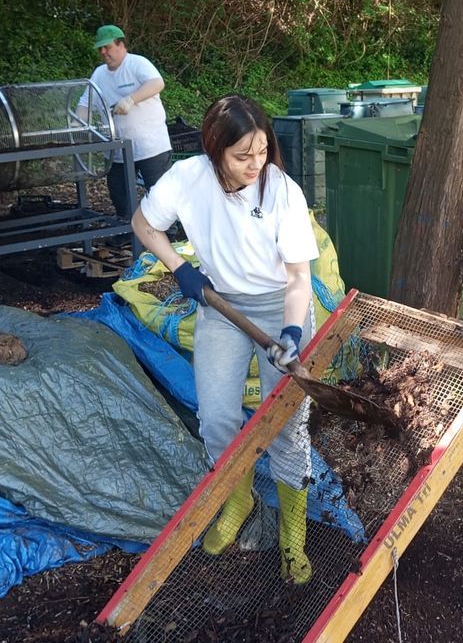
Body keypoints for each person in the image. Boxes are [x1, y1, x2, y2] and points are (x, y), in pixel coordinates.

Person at [131, 94, 319, 584]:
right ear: (215, 150)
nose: (255, 164)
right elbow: (143, 224)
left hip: (281, 307)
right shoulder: (187, 178)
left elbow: (299, 278)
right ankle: (238, 502)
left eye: (261, 151)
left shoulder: (282, 191)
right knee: (215, 418)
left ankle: (292, 532)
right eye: (242, 155)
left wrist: (293, 333)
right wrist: (181, 269)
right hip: (220, 307)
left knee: (286, 424)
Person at [78, 24, 173, 219]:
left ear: (121, 45)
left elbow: (157, 83)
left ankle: (167, 235)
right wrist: (77, 124)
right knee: (119, 193)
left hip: (150, 145)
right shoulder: (99, 74)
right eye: (100, 49)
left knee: (159, 194)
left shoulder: (137, 63)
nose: (103, 52)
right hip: (118, 148)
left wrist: (130, 99)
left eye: (108, 47)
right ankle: (127, 231)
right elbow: (85, 103)